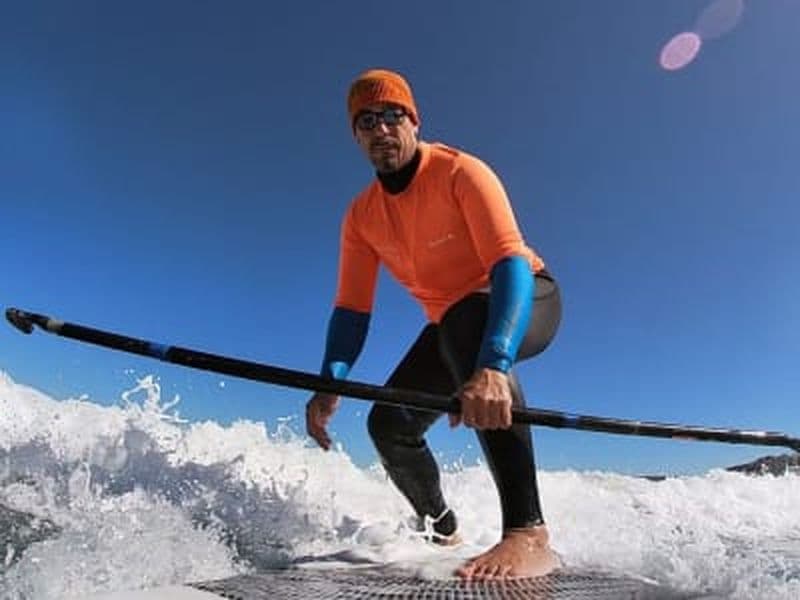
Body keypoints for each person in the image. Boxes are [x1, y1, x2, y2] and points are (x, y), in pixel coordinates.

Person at [305, 68, 562, 580]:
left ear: (414, 121)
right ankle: (442, 527)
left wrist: (492, 366)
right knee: (388, 426)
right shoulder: (361, 217)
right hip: (454, 329)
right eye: (366, 121)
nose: (380, 129)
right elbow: (352, 309)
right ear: (356, 136)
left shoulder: (460, 172)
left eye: (391, 116)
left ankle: (528, 532)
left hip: (524, 295)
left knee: (467, 322)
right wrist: (330, 382)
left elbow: (508, 262)